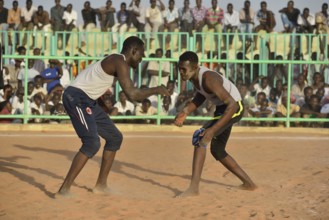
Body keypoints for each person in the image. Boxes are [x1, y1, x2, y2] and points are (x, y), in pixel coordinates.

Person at [57, 36, 169, 197]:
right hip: (76, 97)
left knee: (115, 138)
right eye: (141, 54)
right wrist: (157, 89)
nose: (142, 58)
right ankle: (64, 189)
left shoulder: (118, 62)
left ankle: (101, 185)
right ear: (134, 51)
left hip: (87, 100)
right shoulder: (119, 61)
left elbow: (127, 94)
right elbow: (133, 94)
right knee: (91, 144)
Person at [174, 51, 256, 197]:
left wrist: (212, 131)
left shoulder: (208, 78)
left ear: (194, 67)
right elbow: (202, 95)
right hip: (223, 108)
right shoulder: (195, 78)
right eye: (179, 68)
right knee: (217, 150)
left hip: (234, 108)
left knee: (202, 137)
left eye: (183, 69)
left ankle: (193, 189)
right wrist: (185, 111)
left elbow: (232, 106)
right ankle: (249, 184)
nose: (181, 72)